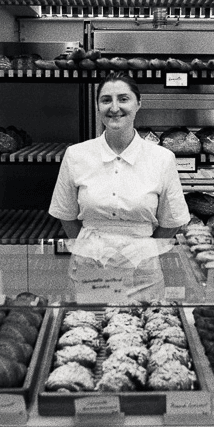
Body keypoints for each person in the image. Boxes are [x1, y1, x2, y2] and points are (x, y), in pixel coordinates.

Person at [48, 72, 191, 299]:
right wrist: (90, 247)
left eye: (123, 99)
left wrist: (143, 250)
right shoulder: (76, 155)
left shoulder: (162, 159)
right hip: (90, 272)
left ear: (138, 103)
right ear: (98, 106)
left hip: (143, 276)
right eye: (106, 100)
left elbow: (171, 221)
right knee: (86, 321)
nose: (114, 108)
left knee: (145, 321)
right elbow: (66, 215)